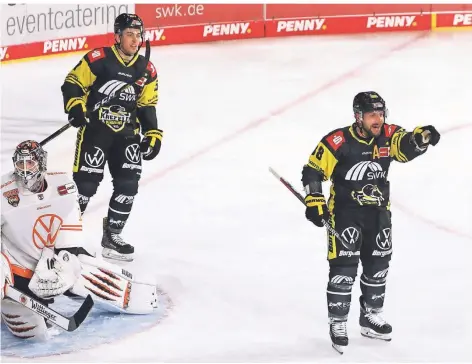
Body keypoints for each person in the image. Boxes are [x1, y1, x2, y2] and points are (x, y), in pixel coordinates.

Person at [301, 91, 440, 352]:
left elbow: (405, 146)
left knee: (378, 266)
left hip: (378, 214)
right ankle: (338, 322)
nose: (378, 119)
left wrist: (422, 138)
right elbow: (313, 169)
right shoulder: (338, 140)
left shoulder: (388, 134)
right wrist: (315, 201)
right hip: (345, 215)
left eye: (380, 113)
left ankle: (370, 316)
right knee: (344, 270)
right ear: (358, 117)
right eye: (371, 115)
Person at [1, 140, 158, 340]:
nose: (24, 170)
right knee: (19, 307)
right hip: (16, 269)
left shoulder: (62, 185)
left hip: (49, 262)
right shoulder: (3, 191)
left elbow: (69, 226)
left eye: (29, 163)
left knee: (81, 267)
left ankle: (135, 294)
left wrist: (67, 260)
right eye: (20, 164)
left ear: (41, 163)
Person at [61, 13, 163, 262]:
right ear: (117, 36)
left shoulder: (146, 70)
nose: (135, 40)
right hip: (96, 131)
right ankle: (63, 238)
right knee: (85, 186)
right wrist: (76, 106)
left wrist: (152, 133)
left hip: (127, 135)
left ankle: (112, 236)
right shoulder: (100, 59)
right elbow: (72, 82)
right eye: (129, 34)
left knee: (128, 185)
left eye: (138, 35)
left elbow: (147, 105)